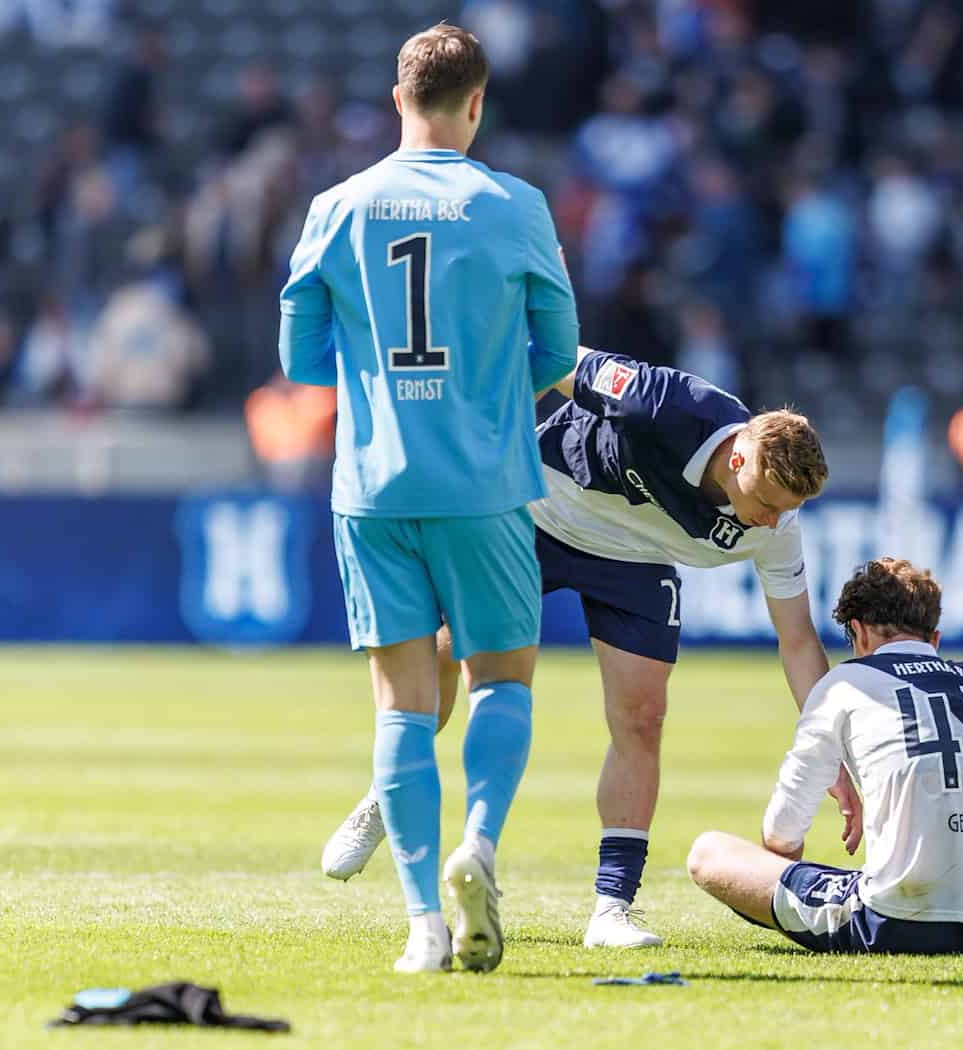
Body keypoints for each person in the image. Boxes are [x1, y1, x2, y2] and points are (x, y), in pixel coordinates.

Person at [322, 346, 863, 949]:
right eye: (764, 502)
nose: (769, 522)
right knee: (445, 651)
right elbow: (545, 354)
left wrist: (832, 754)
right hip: (541, 509)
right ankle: (390, 791)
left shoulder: (777, 526)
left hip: (634, 561)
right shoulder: (663, 400)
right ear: (737, 455)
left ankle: (611, 910)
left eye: (785, 511)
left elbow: (798, 642)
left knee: (642, 717)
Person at [278, 24, 579, 974]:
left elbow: (296, 359)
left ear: (397, 96)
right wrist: (482, 394)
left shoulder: (338, 206)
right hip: (485, 484)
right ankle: (479, 847)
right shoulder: (517, 205)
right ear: (477, 102)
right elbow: (561, 354)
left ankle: (420, 927)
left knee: (403, 707)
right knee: (500, 679)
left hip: (374, 485)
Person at [687, 558, 963, 954]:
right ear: (934, 639)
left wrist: (787, 873)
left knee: (708, 851)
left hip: (896, 922)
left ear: (858, 632)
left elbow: (782, 834)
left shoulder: (845, 682)